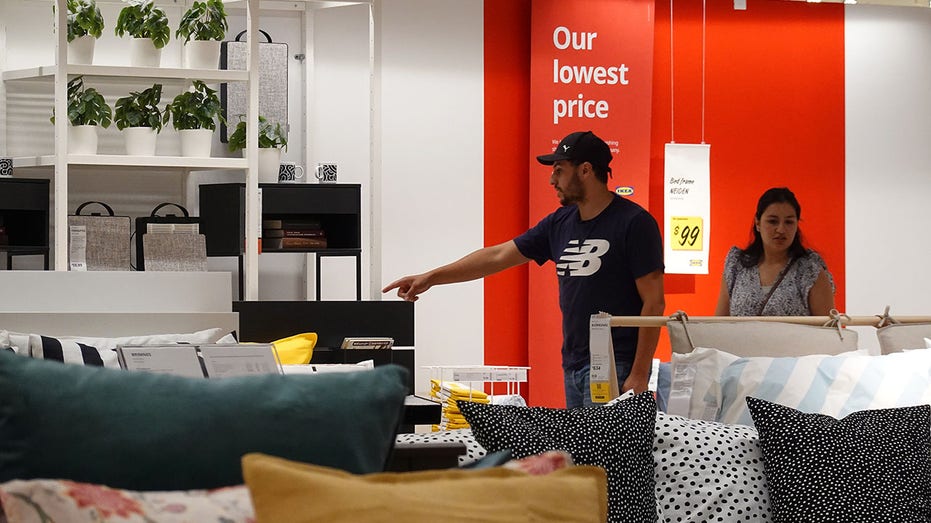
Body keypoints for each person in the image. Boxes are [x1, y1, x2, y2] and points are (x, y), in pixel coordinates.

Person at [382, 131, 665, 408]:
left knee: (606, 454)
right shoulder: (560, 223)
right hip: (576, 364)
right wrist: (432, 277)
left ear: (586, 170)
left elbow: (654, 302)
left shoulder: (634, 223)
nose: (553, 180)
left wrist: (639, 374)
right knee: (582, 454)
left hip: (618, 366)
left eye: (559, 170)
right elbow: (498, 255)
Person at [715, 187, 835, 316]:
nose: (781, 229)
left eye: (789, 222)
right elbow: (720, 324)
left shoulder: (810, 270)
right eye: (773, 221)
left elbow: (827, 330)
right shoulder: (737, 265)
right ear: (758, 223)